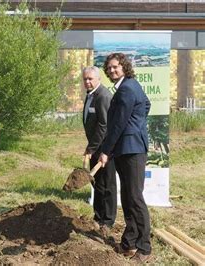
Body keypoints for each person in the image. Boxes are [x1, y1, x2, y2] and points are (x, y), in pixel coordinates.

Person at [99, 53, 152, 263]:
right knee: (128, 197)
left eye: (115, 67)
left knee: (135, 199)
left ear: (124, 67)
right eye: (109, 68)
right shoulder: (129, 85)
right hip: (126, 148)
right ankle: (129, 242)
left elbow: (118, 124)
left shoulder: (127, 88)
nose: (112, 70)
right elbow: (146, 105)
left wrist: (105, 150)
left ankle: (144, 247)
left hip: (132, 150)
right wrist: (136, 124)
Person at [81, 66, 117, 236]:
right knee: (98, 183)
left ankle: (108, 221)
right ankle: (98, 216)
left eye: (90, 79)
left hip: (106, 148)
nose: (87, 82)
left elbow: (103, 126)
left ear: (98, 79)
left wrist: (91, 148)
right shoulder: (91, 95)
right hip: (96, 147)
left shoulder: (103, 96)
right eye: (85, 79)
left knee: (108, 184)